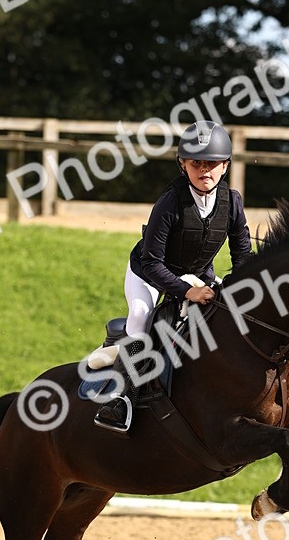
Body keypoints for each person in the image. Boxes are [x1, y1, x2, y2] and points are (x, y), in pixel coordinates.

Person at [90, 120, 252, 432]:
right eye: (196, 164)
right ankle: (121, 399)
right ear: (183, 165)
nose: (204, 171)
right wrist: (186, 291)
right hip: (148, 274)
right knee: (140, 314)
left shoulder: (232, 202)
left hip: (198, 274)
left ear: (226, 166)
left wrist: (239, 288)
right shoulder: (170, 202)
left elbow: (242, 257)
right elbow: (152, 263)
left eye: (212, 164)